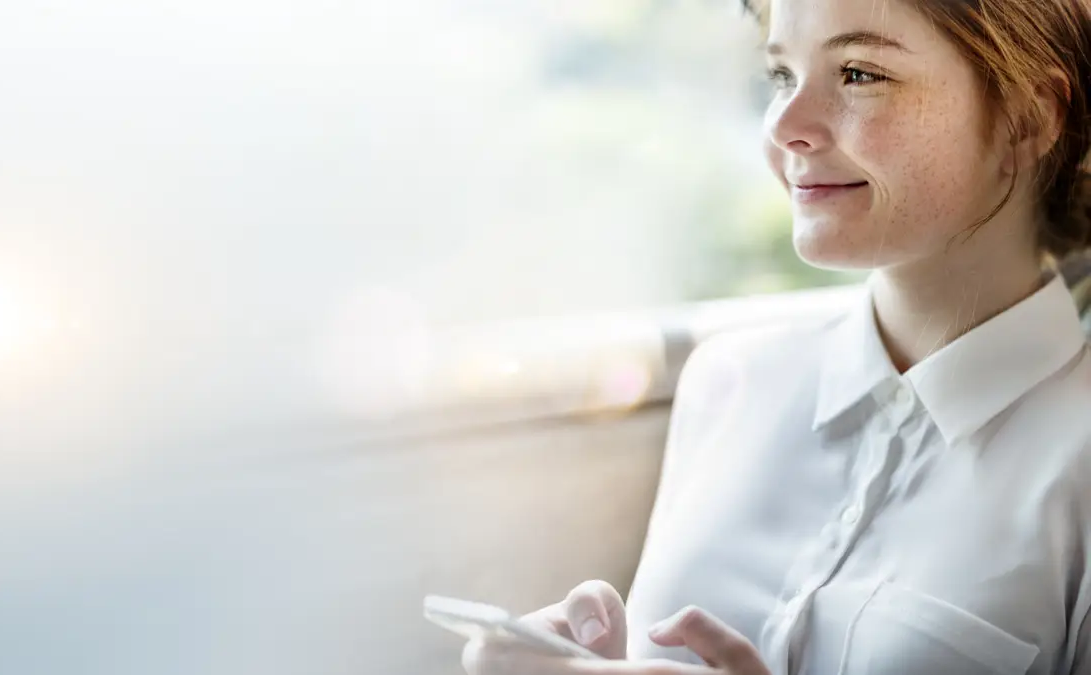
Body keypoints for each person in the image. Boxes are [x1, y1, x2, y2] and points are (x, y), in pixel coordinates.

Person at [461, 0, 1091, 672]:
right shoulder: (729, 381)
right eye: (781, 76)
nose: (785, 126)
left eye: (857, 73)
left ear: (1029, 117)